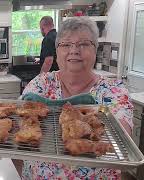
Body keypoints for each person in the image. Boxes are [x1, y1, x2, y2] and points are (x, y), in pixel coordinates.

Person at [20, 17, 133, 179]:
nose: (74, 50)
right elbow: (21, 122)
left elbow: (122, 141)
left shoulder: (113, 91)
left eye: (84, 44)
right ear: (57, 52)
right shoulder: (41, 83)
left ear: (95, 51)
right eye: (65, 44)